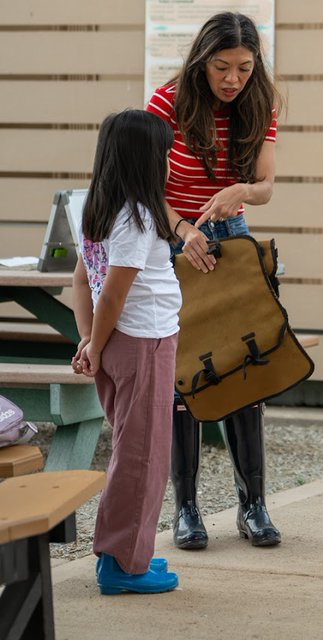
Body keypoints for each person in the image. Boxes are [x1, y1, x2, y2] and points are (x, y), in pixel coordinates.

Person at [145, 11, 283, 550]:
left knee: (244, 369)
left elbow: (267, 185)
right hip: (174, 237)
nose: (233, 79)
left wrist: (240, 193)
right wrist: (182, 230)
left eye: (245, 68)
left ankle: (254, 507)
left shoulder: (261, 101)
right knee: (186, 376)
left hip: (230, 232)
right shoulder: (166, 103)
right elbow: (147, 190)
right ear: (201, 61)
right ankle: (186, 510)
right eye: (222, 67)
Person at [71, 108, 183, 595]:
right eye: (163, 152)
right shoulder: (137, 216)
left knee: (130, 449)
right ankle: (122, 565)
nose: (168, 160)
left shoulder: (94, 206)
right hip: (144, 343)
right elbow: (112, 292)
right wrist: (94, 342)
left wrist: (91, 342)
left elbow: (82, 280)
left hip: (118, 343)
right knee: (143, 456)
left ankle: (131, 554)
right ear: (144, 158)